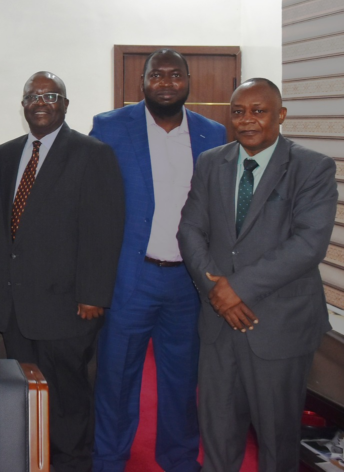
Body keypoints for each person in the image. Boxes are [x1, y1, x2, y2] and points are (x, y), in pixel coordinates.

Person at [179, 78, 337, 472]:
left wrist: (238, 289)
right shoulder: (211, 162)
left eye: (258, 111)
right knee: (217, 435)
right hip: (218, 324)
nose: (246, 119)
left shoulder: (312, 167)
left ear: (280, 115)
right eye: (238, 112)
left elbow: (308, 244)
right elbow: (190, 230)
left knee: (276, 442)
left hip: (279, 326)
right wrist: (217, 291)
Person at [90, 49, 226, 472]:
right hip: (131, 277)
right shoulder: (110, 127)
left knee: (182, 380)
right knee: (116, 377)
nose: (166, 82)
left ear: (188, 81)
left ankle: (179, 458)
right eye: (156, 75)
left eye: (175, 75)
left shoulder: (213, 134)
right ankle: (109, 460)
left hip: (188, 281)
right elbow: (91, 203)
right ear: (142, 82)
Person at [0, 71, 124, 472]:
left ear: (65, 104)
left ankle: (72, 464)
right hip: (16, 304)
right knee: (24, 394)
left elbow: (104, 229)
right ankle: (29, 460)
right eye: (33, 96)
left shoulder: (92, 154)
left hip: (67, 305)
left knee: (67, 399)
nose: (40, 103)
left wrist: (94, 293)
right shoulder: (5, 154)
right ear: (23, 105)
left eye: (50, 96)